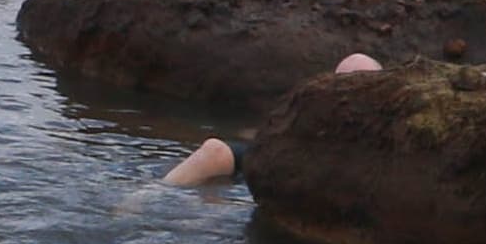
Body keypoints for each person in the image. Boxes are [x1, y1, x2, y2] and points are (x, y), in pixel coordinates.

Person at [162, 53, 380, 186]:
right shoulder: (313, 115)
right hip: (266, 179)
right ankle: (148, 197)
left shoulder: (385, 130)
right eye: (343, 83)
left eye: (361, 84)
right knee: (215, 150)